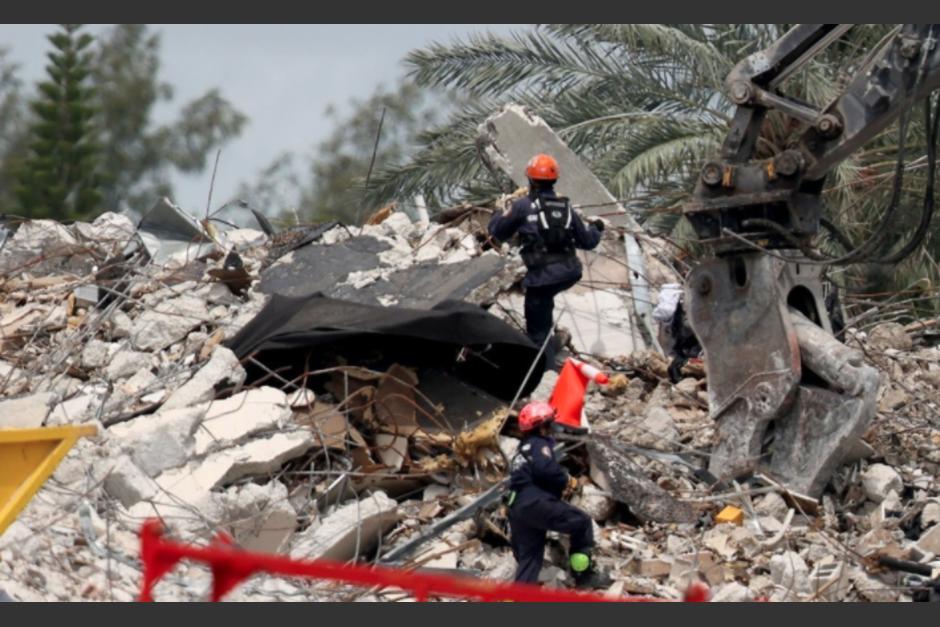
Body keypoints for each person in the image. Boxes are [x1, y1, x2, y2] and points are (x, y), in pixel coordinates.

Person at [488, 154, 604, 368]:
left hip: (542, 278)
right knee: (545, 307)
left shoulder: (523, 205)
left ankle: (544, 373)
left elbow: (498, 233)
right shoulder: (565, 206)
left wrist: (498, 211)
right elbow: (588, 241)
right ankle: (549, 347)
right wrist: (597, 228)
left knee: (537, 331)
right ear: (555, 180)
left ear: (530, 180)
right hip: (569, 273)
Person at [506, 401, 611, 588]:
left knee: (530, 558)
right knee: (582, 523)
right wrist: (566, 479)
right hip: (536, 502)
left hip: (517, 508)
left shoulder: (521, 450)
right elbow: (546, 469)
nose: (553, 428)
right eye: (549, 424)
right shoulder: (538, 444)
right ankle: (583, 575)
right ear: (542, 427)